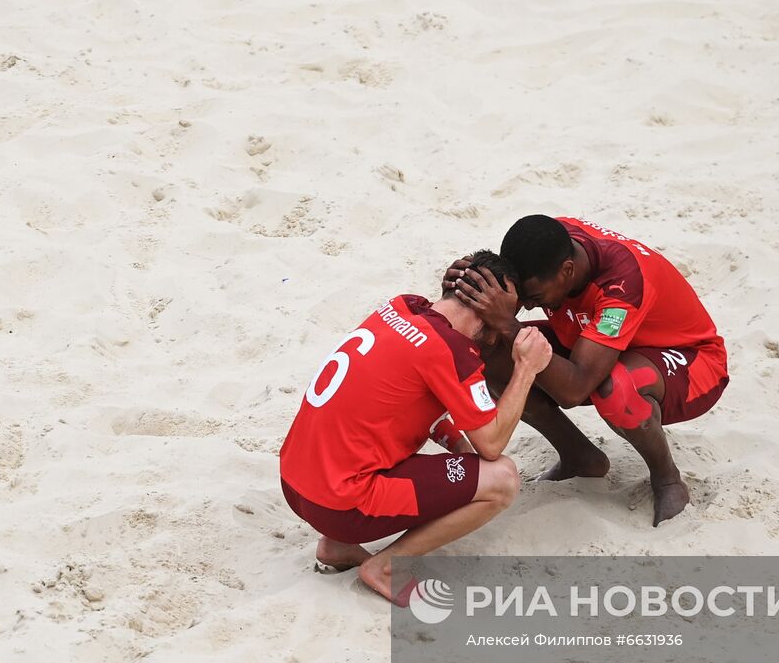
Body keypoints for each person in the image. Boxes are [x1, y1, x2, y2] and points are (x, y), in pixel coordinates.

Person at [279, 250, 553, 603]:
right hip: (339, 505)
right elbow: (492, 445)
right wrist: (526, 369)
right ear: (488, 308)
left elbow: (412, 406)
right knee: (502, 479)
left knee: (391, 446)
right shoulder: (450, 349)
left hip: (294, 483)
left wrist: (461, 456)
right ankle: (386, 567)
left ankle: (337, 545)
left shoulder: (401, 306)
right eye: (505, 314)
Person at [444, 216, 728, 526]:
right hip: (598, 339)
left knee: (615, 388)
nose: (524, 305)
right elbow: (500, 311)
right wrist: (467, 287)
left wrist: (509, 324)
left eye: (534, 299)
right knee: (489, 349)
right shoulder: (551, 244)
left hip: (689, 361)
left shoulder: (622, 285)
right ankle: (580, 457)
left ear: (568, 271)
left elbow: (575, 389)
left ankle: (667, 478)